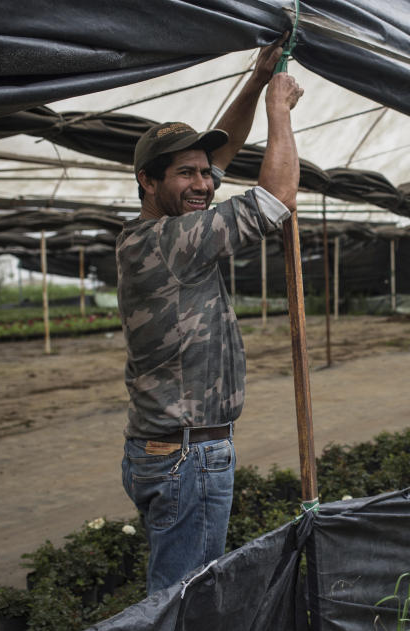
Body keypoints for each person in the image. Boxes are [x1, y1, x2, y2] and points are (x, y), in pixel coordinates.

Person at [116, 39, 303, 594]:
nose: (204, 184)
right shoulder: (172, 240)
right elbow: (276, 198)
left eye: (206, 172)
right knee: (184, 604)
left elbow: (217, 158)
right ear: (147, 181)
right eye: (186, 174)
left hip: (166, 449)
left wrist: (254, 80)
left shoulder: (157, 227)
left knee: (175, 594)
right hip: (186, 458)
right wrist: (278, 110)